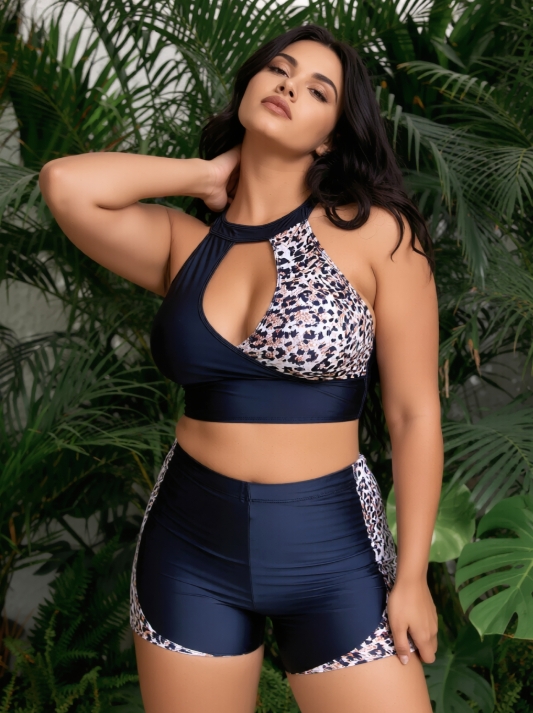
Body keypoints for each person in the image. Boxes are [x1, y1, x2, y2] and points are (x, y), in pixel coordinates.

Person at [39, 23, 442, 713]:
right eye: (279, 69)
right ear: (249, 86)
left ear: (330, 138)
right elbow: (65, 182)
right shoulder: (184, 245)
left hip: (334, 551)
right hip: (190, 547)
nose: (289, 86)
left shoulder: (378, 235)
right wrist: (203, 175)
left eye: (318, 90)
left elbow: (413, 414)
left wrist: (412, 578)